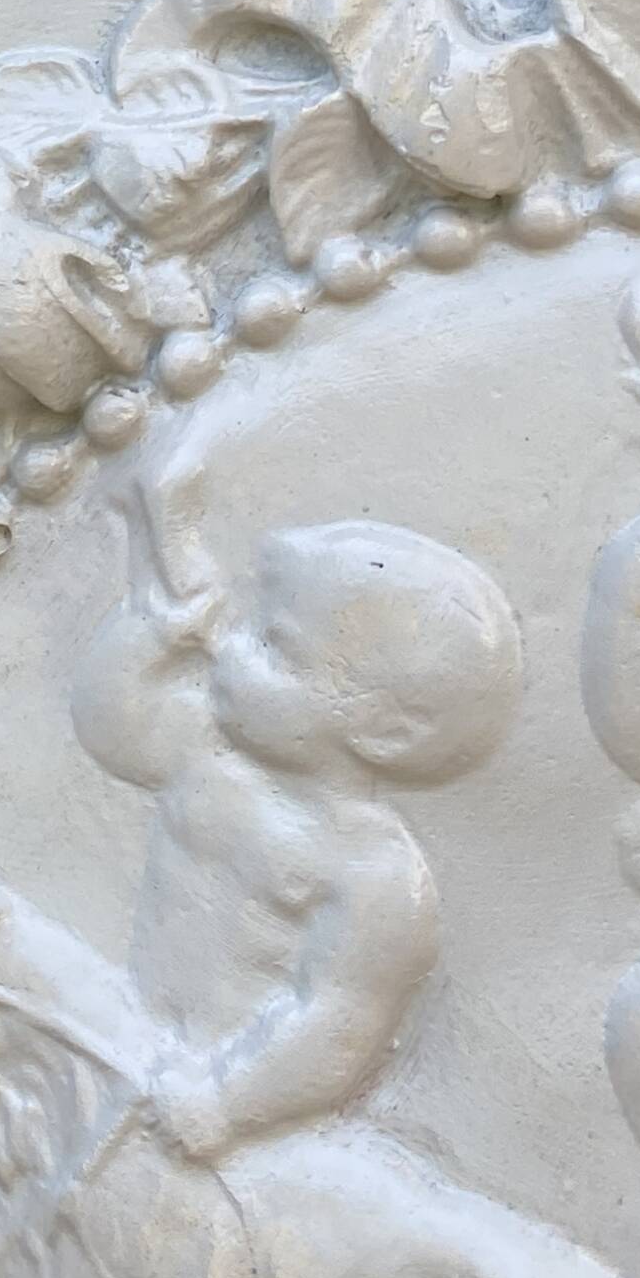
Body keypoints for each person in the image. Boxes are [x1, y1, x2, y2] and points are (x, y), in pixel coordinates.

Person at [69, 455, 522, 1164]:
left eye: (273, 648)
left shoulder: (374, 875)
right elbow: (113, 728)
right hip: (130, 1037)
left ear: (383, 730)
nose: (228, 649)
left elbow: (337, 1024)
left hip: (219, 1102)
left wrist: (226, 1104)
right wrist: (150, 637)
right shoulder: (205, 754)